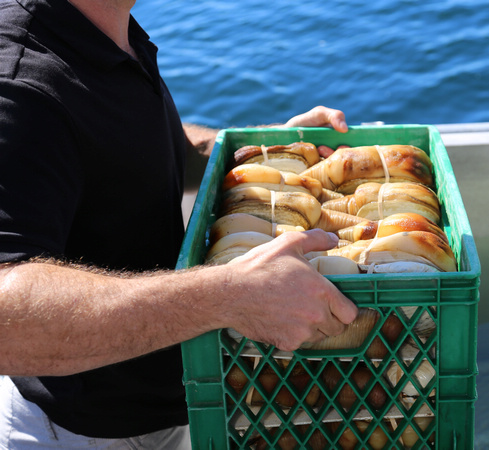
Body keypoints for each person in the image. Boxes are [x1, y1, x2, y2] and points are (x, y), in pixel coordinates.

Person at [0, 0, 357, 447]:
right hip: (87, 431)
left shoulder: (106, 29)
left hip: (169, 396)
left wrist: (265, 155)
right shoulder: (18, 86)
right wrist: (228, 296)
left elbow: (130, 142)